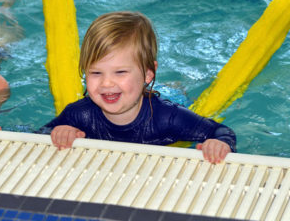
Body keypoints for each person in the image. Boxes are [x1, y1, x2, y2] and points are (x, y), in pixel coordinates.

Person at [41, 11, 236, 164]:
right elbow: (36, 136)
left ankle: (174, 86)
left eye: (120, 72)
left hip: (169, 100)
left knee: (177, 93)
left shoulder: (169, 117)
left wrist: (219, 143)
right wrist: (59, 131)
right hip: (137, 91)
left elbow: (221, 131)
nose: (106, 83)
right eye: (96, 73)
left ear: (148, 73)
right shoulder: (79, 114)